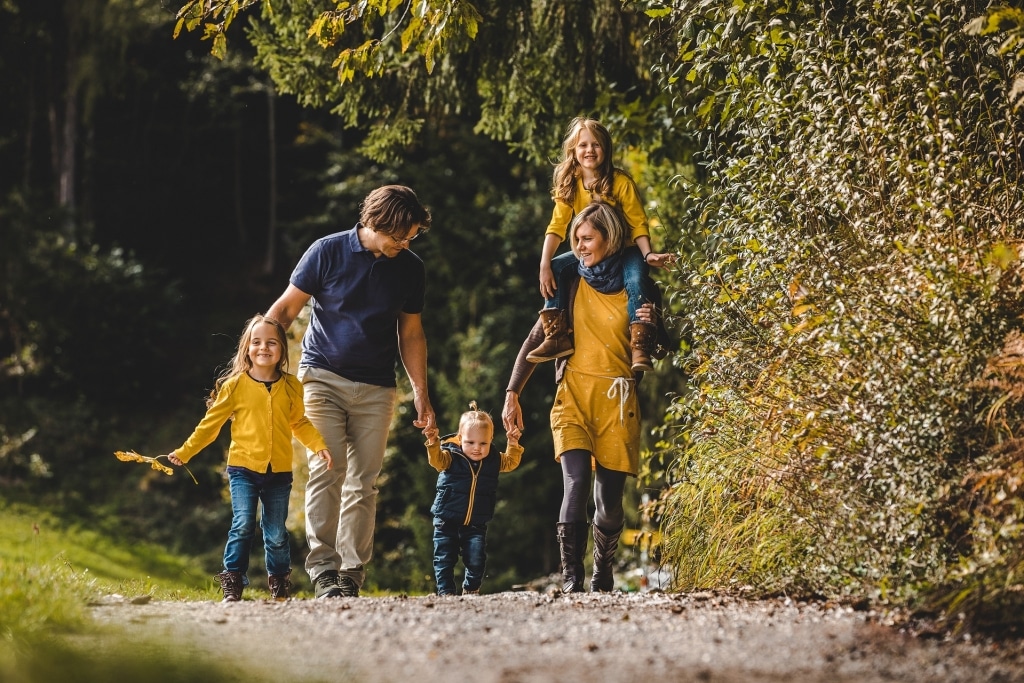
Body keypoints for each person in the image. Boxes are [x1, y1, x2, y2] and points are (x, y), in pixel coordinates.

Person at [265, 184, 436, 599]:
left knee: (364, 482)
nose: (406, 243)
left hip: (377, 387)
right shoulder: (326, 251)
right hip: (321, 378)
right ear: (377, 223)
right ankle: (323, 568)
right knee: (327, 467)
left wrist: (421, 392)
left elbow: (410, 333)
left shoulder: (410, 268)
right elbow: (285, 310)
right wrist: (256, 365)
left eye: (412, 237)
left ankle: (351, 573)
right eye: (401, 236)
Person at [503, 200, 660, 594]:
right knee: (574, 484)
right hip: (572, 393)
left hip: (618, 398)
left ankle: (601, 568)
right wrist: (512, 392)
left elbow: (659, 346)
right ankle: (572, 577)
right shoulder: (570, 280)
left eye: (587, 238)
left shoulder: (637, 282)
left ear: (611, 238)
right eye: (576, 239)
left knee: (608, 503)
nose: (581, 246)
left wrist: (655, 330)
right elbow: (535, 338)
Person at [165, 314, 333, 602]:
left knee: (277, 533)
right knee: (242, 524)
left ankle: (279, 582)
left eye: (271, 343)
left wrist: (318, 445)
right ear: (246, 348)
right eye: (256, 342)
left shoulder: (292, 386)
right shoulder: (234, 386)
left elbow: (300, 422)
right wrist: (186, 451)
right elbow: (211, 425)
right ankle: (232, 580)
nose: (263, 348)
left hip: (279, 471)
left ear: (281, 350)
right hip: (243, 468)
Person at [530, 116, 675, 372]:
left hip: (625, 250)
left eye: (596, 144)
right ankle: (556, 335)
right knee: (555, 267)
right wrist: (544, 264)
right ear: (573, 151)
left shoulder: (620, 183)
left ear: (605, 149)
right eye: (583, 145)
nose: (589, 150)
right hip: (592, 250)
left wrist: (648, 253)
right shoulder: (570, 185)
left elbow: (638, 222)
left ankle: (640, 344)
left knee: (636, 280)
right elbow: (557, 226)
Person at [423, 402, 524, 596]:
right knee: (444, 558)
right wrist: (433, 442)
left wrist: (512, 443)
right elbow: (436, 461)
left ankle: (471, 589)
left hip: (476, 522)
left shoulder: (494, 460)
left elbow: (511, 463)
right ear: (460, 439)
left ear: (491, 440)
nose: (477, 448)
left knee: (477, 558)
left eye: (483, 443)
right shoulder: (450, 456)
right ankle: (446, 592)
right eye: (470, 442)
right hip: (446, 519)